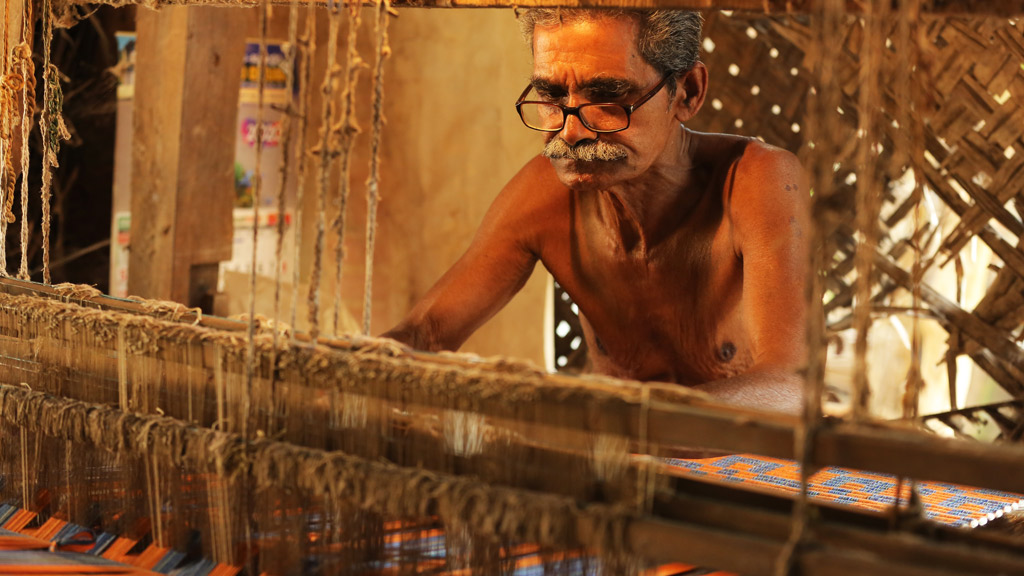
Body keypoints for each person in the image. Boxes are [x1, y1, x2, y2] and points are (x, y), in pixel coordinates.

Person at [383, 8, 809, 415]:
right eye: (551, 96)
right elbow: (425, 334)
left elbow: (790, 386)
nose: (570, 131)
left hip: (738, 468)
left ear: (687, 92)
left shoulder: (756, 182)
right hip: (614, 465)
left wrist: (614, 426)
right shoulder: (543, 193)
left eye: (608, 97)